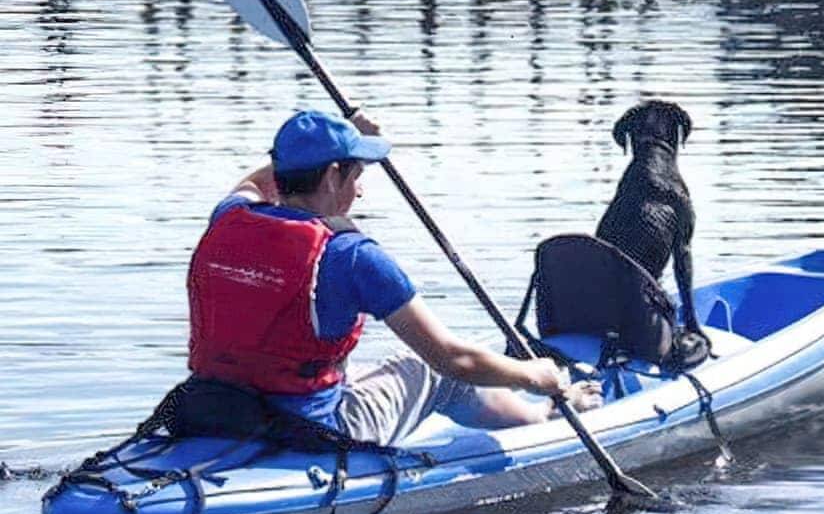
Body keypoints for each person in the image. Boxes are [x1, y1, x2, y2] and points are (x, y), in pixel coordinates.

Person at [187, 108, 601, 446]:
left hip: (220, 409)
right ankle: (539, 418)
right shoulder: (352, 256)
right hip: (314, 431)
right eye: (355, 176)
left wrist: (337, 141)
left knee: (366, 364)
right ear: (331, 177)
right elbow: (453, 359)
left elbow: (257, 182)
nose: (360, 191)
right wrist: (536, 375)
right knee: (427, 369)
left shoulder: (228, 217)